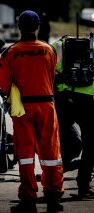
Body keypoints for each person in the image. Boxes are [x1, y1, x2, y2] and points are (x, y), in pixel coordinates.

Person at [0, 10, 64, 213]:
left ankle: (28, 197)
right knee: (51, 152)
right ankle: (53, 193)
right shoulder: (48, 50)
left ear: (19, 27)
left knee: (25, 153)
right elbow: (53, 75)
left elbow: (3, 83)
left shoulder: (11, 52)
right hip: (46, 105)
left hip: (22, 108)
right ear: (38, 27)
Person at [52, 35, 94, 198]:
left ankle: (54, 185)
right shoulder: (92, 45)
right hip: (89, 100)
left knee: (58, 143)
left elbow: (47, 70)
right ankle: (84, 185)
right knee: (91, 145)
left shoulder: (57, 46)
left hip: (64, 99)